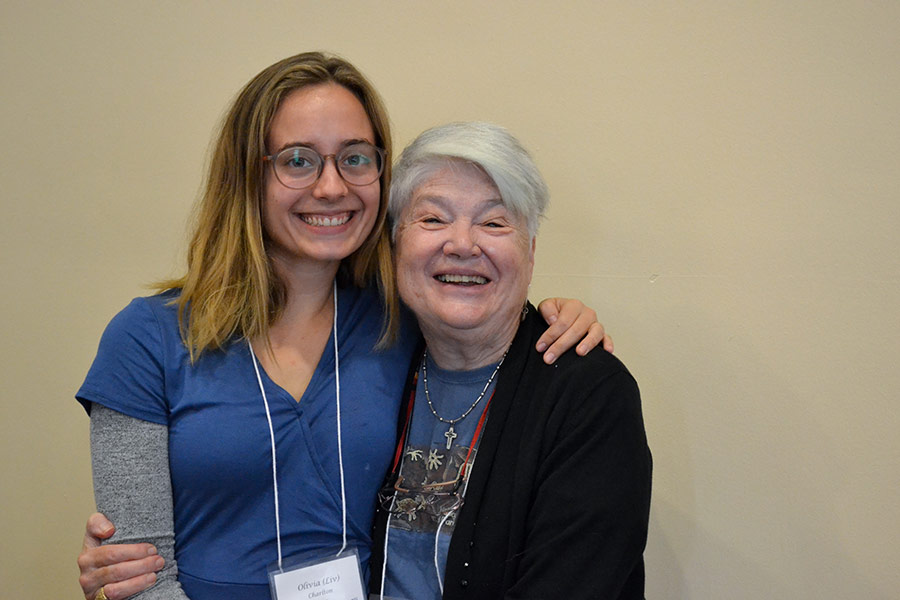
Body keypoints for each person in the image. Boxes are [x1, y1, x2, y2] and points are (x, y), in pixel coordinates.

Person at [75, 53, 609, 600]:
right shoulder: (147, 338)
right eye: (298, 160)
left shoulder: (403, 322)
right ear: (247, 175)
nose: (332, 187)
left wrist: (558, 316)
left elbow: (485, 312)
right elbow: (136, 575)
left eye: (354, 158)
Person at [365, 122, 652, 599]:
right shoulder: (372, 362)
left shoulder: (589, 395)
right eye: (433, 219)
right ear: (395, 244)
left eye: (494, 223)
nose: (462, 244)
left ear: (530, 251)